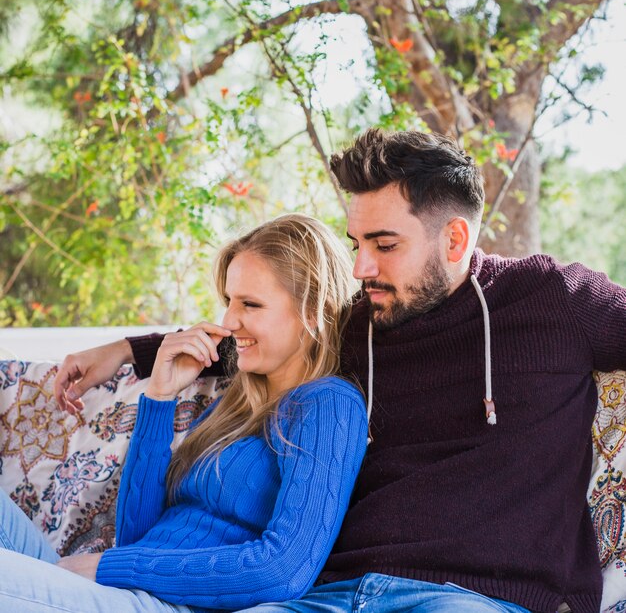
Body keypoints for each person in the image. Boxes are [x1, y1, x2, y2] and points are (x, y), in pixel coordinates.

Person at [53, 129, 626, 613]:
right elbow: (251, 336)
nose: (360, 267)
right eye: (356, 243)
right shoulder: (357, 325)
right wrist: (127, 350)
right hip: (332, 595)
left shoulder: (553, 299)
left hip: (470, 598)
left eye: (384, 244)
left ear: (454, 238)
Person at [0, 214, 369, 612]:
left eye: (251, 304)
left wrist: (111, 567)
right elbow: (136, 536)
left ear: (313, 310)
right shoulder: (235, 403)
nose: (229, 321)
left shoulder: (329, 405)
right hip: (117, 591)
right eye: (229, 301)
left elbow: (282, 571)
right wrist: (160, 396)